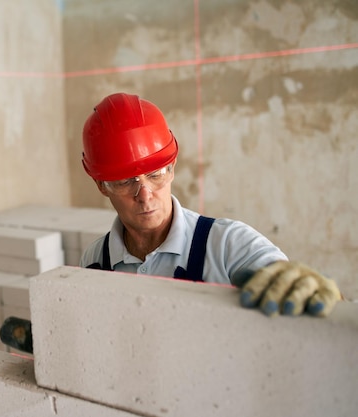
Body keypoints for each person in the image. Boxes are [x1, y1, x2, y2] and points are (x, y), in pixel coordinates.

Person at [79, 92, 341, 317]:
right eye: (126, 182)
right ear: (102, 186)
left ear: (172, 170)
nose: (145, 194)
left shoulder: (229, 245)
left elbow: (285, 285)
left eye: (156, 175)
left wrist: (307, 288)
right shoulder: (94, 261)